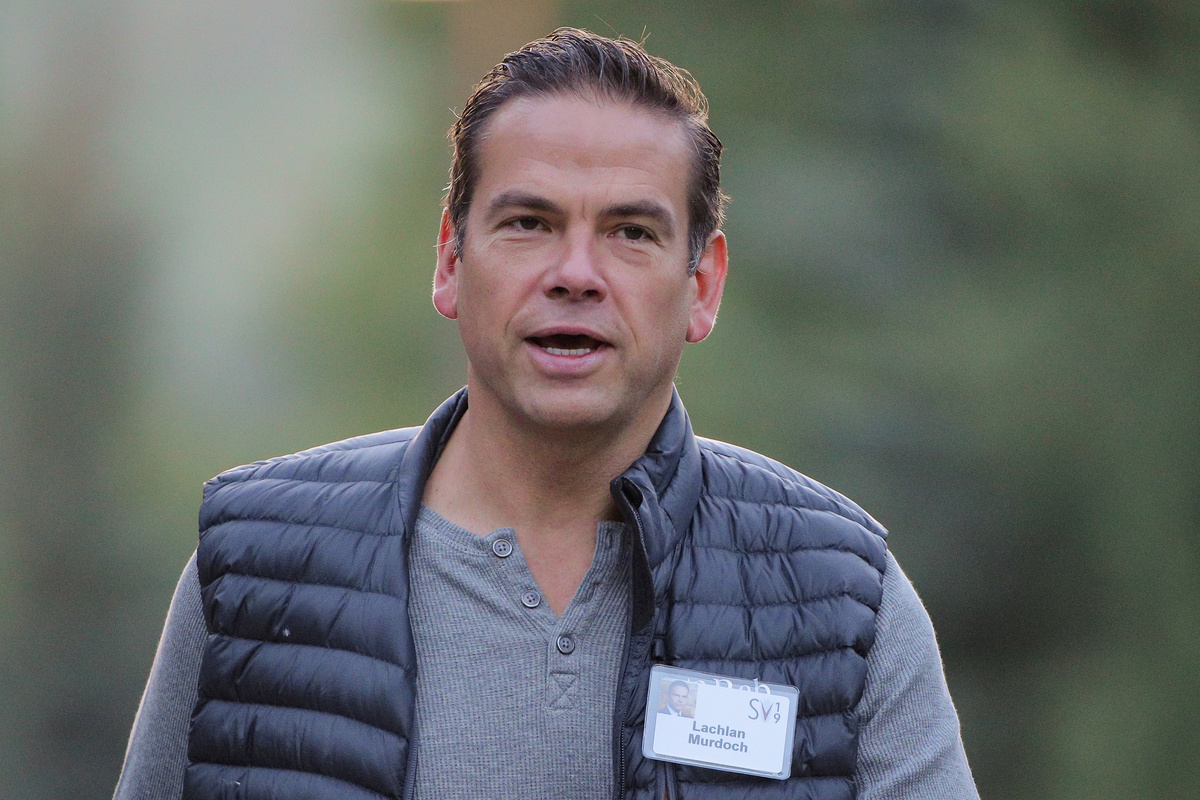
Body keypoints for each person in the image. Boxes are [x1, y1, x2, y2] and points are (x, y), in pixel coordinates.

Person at [114, 28, 979, 800]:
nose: (575, 274)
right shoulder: (262, 573)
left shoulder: (840, 601)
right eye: (529, 223)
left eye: (631, 232)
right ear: (450, 261)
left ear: (703, 286)